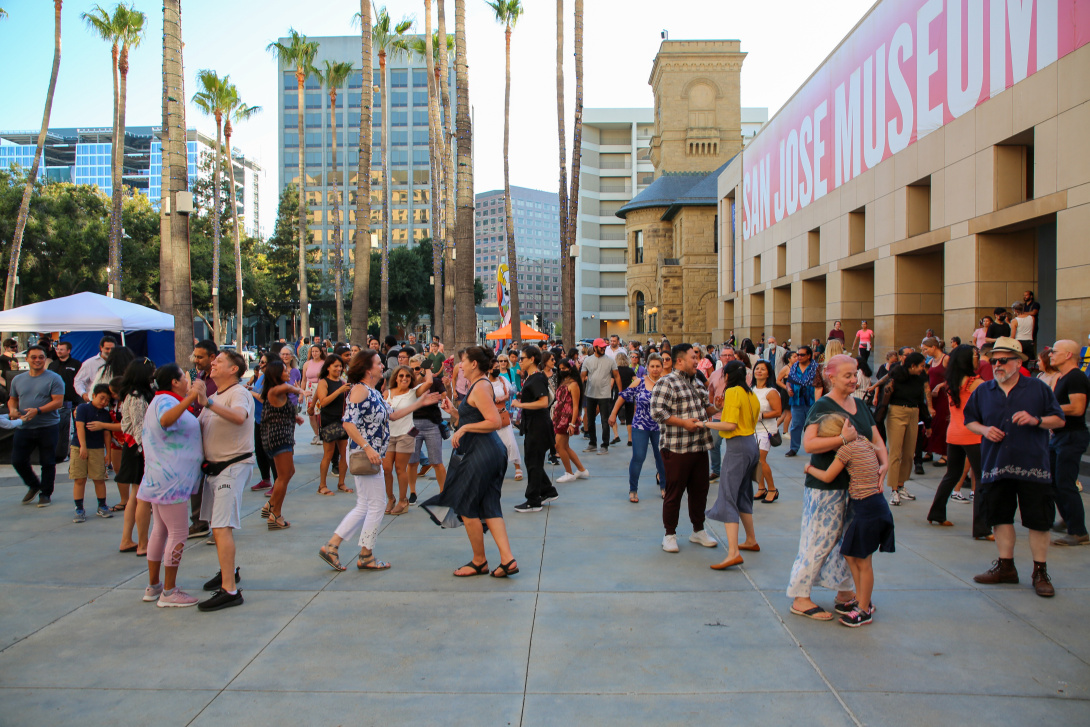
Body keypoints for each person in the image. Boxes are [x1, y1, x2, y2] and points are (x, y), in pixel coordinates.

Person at [788, 354, 887, 621]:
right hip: (825, 486)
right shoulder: (822, 406)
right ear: (831, 377)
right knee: (819, 538)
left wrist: (884, 463)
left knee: (848, 541)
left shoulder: (860, 405)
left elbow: (876, 437)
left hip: (857, 488)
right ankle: (801, 596)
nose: (854, 380)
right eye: (848, 375)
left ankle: (844, 593)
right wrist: (842, 439)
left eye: (855, 374)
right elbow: (809, 445)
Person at [965, 337, 1065, 597]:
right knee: (1000, 517)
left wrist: (1036, 419)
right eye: (993, 360)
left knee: (1038, 521)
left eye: (1003, 360)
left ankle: (1040, 571)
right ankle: (1006, 566)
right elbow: (970, 421)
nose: (996, 365)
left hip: (1033, 465)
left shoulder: (1037, 388)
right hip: (996, 465)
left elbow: (1059, 419)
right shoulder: (984, 390)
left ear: (1018, 362)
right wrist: (985, 429)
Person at [318, 350, 433, 571]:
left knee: (365, 505)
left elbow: (393, 415)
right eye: (379, 363)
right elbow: (348, 423)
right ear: (368, 369)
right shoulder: (360, 390)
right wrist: (367, 447)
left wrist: (420, 403)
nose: (383, 366)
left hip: (372, 455)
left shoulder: (374, 392)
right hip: (365, 455)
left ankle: (334, 547)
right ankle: (365, 554)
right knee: (377, 504)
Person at [420, 347, 519, 578]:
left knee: (466, 505)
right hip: (487, 451)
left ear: (474, 364)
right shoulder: (479, 385)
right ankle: (507, 560)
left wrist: (463, 427)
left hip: (482, 453)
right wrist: (454, 412)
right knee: (489, 504)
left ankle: (479, 561)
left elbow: (494, 421)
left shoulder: (482, 386)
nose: (460, 366)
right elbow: (475, 416)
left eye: (463, 361)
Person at [804, 412, 894, 627]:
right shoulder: (862, 441)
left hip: (868, 509)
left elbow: (827, 476)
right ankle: (862, 600)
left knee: (864, 561)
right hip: (873, 506)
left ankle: (864, 609)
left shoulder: (846, 449)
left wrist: (809, 469)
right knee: (851, 554)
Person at [192, 351, 254, 611]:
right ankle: (228, 571)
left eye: (218, 361)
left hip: (232, 466)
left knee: (221, 526)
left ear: (233, 370)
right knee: (218, 526)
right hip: (215, 470)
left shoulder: (238, 393)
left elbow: (240, 417)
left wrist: (206, 403)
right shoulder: (216, 397)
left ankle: (230, 590)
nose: (213, 363)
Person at [139, 364, 205, 607]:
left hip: (162, 478)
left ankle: (155, 586)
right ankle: (169, 591)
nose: (188, 381)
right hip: (170, 481)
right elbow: (167, 421)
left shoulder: (161, 400)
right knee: (177, 532)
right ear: (174, 383)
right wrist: (190, 397)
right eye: (184, 378)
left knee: (160, 530)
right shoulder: (166, 402)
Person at [649, 343, 720, 553]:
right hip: (676, 447)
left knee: (700, 491)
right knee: (674, 492)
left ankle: (698, 530)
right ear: (680, 360)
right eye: (693, 357)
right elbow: (658, 412)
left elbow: (705, 409)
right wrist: (684, 423)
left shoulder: (697, 382)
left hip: (699, 446)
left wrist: (717, 406)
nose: (697, 361)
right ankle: (669, 534)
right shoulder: (666, 383)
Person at [925, 345, 991, 538]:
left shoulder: (950, 381)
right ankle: (981, 527)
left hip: (953, 433)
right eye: (975, 356)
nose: (977, 358)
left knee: (951, 475)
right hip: (973, 434)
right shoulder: (976, 382)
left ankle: (936, 513)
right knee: (981, 480)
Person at [703, 361, 761, 570]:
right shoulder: (750, 393)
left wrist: (704, 423)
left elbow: (730, 425)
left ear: (726, 377)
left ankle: (733, 552)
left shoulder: (734, 392)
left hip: (737, 447)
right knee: (743, 493)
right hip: (751, 444)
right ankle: (751, 539)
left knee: (728, 495)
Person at [8, 345, 65, 508]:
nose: (37, 360)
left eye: (41, 357)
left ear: (45, 359)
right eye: (34, 357)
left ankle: (45, 494)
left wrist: (38, 411)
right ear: (26, 359)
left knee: (47, 462)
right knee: (18, 461)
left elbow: (58, 401)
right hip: (24, 427)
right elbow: (12, 399)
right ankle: (34, 484)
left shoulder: (54, 378)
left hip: (48, 426)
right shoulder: (18, 379)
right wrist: (12, 410)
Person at [874, 351, 930, 505]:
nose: (923, 369)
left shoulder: (919, 379)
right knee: (895, 452)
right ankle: (893, 490)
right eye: (921, 366)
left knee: (908, 453)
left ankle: (901, 485)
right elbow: (885, 400)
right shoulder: (896, 377)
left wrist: (928, 422)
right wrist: (877, 420)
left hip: (913, 413)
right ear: (912, 366)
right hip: (896, 412)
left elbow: (921, 402)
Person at [1048, 340, 1090, 546]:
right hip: (1061, 436)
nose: (1050, 355)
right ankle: (1068, 517)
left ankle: (1078, 531)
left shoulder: (1076, 377)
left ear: (1067, 355)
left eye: (1054, 352)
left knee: (1065, 482)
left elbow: (1077, 408)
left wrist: (1049, 407)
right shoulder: (1064, 377)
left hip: (1072, 436)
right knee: (1054, 481)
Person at [611, 353, 666, 501]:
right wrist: (613, 413)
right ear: (647, 367)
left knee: (661, 457)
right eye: (652, 366)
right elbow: (623, 395)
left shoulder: (666, 383)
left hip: (660, 427)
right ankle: (633, 489)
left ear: (662, 367)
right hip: (640, 425)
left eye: (658, 366)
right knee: (638, 457)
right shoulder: (639, 382)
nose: (655, 369)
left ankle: (664, 487)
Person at [512, 345, 559, 513]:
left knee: (533, 462)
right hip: (535, 425)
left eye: (522, 358)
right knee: (533, 461)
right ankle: (547, 490)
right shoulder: (532, 377)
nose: (519, 361)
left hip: (539, 426)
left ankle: (533, 501)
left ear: (532, 359)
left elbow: (543, 402)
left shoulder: (537, 378)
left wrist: (520, 404)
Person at [259, 359, 305, 529]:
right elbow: (286, 388)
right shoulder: (275, 390)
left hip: (283, 436)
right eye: (285, 371)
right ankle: (275, 514)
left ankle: (270, 505)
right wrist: (300, 389)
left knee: (288, 473)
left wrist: (294, 418)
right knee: (283, 476)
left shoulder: (278, 393)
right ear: (276, 374)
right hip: (278, 438)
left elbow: (276, 411)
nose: (288, 373)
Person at [117, 357, 156, 555]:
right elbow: (140, 427)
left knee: (136, 495)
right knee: (142, 497)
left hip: (133, 448)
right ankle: (142, 543)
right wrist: (148, 451)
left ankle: (127, 539)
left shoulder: (131, 394)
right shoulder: (137, 396)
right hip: (139, 449)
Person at [383, 364, 432, 514]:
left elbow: (429, 382)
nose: (404, 378)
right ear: (396, 378)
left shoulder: (413, 393)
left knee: (400, 469)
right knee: (386, 469)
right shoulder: (387, 393)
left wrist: (427, 365)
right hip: (389, 435)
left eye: (407, 376)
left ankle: (403, 500)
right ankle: (390, 498)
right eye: (401, 376)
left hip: (405, 434)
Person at [69, 384, 115, 522]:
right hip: (79, 447)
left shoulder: (105, 414)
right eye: (101, 398)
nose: (104, 402)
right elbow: (79, 426)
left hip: (97, 448)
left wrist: (108, 454)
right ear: (93, 395)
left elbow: (107, 434)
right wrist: (83, 446)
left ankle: (102, 505)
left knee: (99, 478)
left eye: (107, 400)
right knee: (80, 478)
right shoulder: (83, 408)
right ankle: (79, 508)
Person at [187, 340, 218, 539]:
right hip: (197, 435)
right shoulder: (200, 376)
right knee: (197, 480)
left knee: (215, 482)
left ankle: (218, 526)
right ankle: (199, 521)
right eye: (195, 356)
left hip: (214, 436)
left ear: (212, 358)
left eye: (200, 357)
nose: (196, 360)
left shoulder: (217, 379)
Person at [407, 355, 450, 500]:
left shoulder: (435, 382)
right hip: (413, 425)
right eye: (412, 369)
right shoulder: (408, 383)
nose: (415, 372)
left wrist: (442, 394)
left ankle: (443, 492)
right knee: (412, 461)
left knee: (436, 461)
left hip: (432, 424)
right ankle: (412, 492)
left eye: (418, 368)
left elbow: (443, 395)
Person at [314, 354, 352, 497]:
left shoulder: (342, 382)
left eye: (340, 366)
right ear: (328, 367)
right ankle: (322, 485)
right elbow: (323, 401)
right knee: (328, 454)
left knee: (345, 453)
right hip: (328, 421)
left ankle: (341, 483)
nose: (339, 368)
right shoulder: (324, 382)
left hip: (342, 420)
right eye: (335, 366)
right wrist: (339, 391)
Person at [580, 338, 622, 455]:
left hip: (605, 394)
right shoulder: (587, 360)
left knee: (605, 420)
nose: (604, 348)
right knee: (590, 419)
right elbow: (582, 376)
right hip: (590, 393)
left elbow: (617, 376)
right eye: (601, 347)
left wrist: (621, 392)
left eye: (604, 347)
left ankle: (605, 445)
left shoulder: (610, 360)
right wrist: (578, 391)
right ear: (595, 347)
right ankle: (592, 443)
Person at [553, 359, 589, 484]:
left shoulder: (573, 384)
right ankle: (581, 469)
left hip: (566, 419)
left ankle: (569, 473)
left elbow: (575, 406)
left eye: (564, 368)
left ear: (570, 368)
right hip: (559, 417)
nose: (562, 371)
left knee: (559, 445)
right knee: (565, 446)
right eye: (560, 369)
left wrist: (572, 424)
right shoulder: (563, 381)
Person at [752, 360, 783, 503]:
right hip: (752, 430)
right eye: (757, 368)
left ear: (768, 373)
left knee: (761, 460)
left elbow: (778, 411)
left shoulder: (771, 391)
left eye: (762, 369)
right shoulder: (751, 389)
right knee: (755, 461)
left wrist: (761, 415)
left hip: (766, 430)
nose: (759, 371)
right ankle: (761, 487)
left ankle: (772, 489)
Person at [784, 345, 823, 457]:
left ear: (809, 355)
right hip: (796, 400)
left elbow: (819, 384)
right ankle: (794, 448)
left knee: (813, 425)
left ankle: (814, 447)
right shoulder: (794, 367)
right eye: (797, 355)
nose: (799, 357)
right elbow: (789, 381)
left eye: (802, 355)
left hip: (811, 400)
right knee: (796, 425)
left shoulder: (815, 368)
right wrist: (788, 389)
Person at [487, 363, 524, 482]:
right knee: (492, 445)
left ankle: (517, 467)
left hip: (502, 415)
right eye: (495, 367)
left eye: (498, 367)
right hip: (490, 417)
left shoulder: (502, 380)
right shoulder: (485, 382)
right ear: (489, 369)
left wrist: (501, 398)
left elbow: (510, 393)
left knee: (511, 442)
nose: (497, 369)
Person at [246, 355, 275, 492]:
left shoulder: (272, 379)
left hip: (270, 419)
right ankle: (265, 479)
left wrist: (252, 393)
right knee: (259, 450)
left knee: (270, 452)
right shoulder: (261, 377)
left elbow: (268, 400)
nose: (260, 364)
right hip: (258, 418)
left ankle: (277, 484)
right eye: (260, 361)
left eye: (263, 362)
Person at [921, 337, 949, 467]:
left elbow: (953, 377)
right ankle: (929, 450)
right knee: (929, 423)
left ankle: (945, 453)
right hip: (932, 397)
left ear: (933, 347)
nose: (925, 352)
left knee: (941, 424)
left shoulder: (946, 359)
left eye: (926, 349)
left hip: (942, 396)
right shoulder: (931, 360)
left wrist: (941, 385)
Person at [74, 335, 117, 401]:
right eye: (107, 349)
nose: (110, 351)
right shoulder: (90, 363)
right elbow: (78, 381)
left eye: (112, 349)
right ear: (101, 348)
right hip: (96, 401)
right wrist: (83, 394)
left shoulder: (119, 362)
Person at [302, 343, 326, 445]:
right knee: (311, 414)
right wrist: (301, 393)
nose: (314, 353)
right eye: (313, 351)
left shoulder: (324, 363)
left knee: (320, 413)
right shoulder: (307, 364)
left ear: (320, 352)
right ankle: (316, 434)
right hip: (309, 389)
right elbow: (303, 380)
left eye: (316, 351)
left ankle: (321, 434)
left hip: (319, 387)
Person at [48, 341, 82, 410]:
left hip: (73, 402)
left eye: (61, 349)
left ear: (68, 351)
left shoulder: (76, 364)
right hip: (55, 401)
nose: (59, 351)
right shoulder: (52, 365)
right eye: (57, 349)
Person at [615, 352, 636, 446]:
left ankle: (616, 435)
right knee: (629, 416)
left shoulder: (615, 370)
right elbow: (637, 380)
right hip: (629, 394)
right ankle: (630, 439)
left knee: (613, 414)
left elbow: (611, 383)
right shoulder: (630, 370)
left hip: (618, 394)